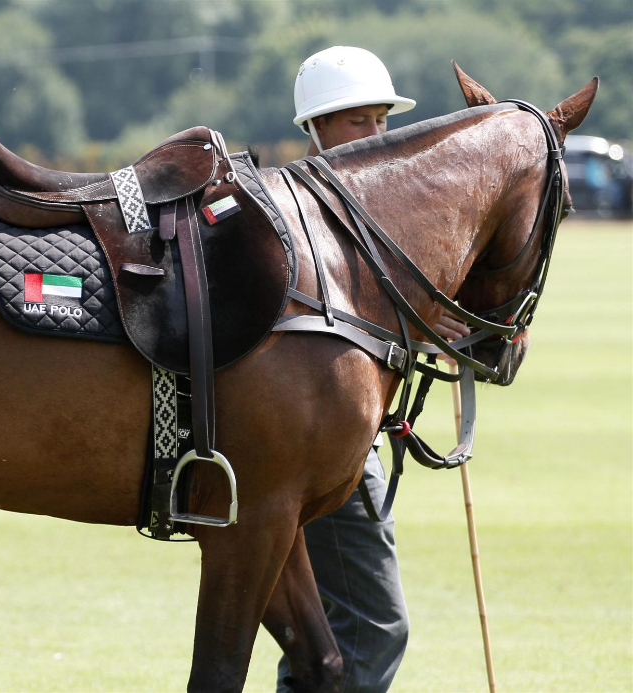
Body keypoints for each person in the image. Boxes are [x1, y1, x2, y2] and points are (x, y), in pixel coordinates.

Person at [277, 46, 469, 693]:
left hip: (347, 438)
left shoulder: (372, 213)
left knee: (322, 635)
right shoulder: (298, 211)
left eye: (382, 120)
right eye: (357, 120)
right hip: (316, 443)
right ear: (315, 127)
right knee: (371, 626)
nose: (375, 134)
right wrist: (415, 323)